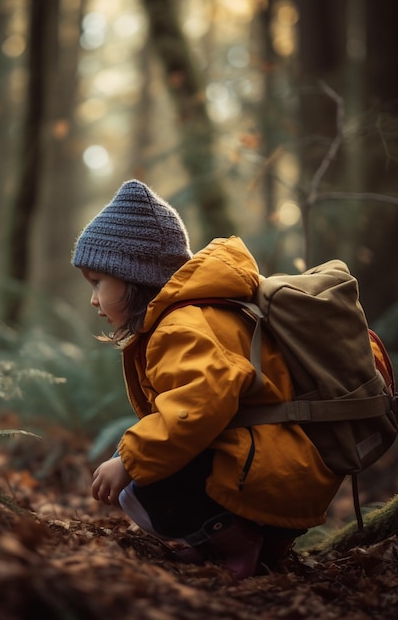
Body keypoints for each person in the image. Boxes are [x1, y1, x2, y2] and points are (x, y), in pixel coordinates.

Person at [71, 179, 345, 579]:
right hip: (290, 468)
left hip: (278, 474)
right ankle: (263, 541)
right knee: (145, 457)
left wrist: (129, 461)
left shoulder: (179, 326)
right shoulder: (202, 312)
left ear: (134, 278)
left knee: (140, 482)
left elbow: (199, 404)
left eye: (98, 282)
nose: (93, 298)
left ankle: (239, 546)